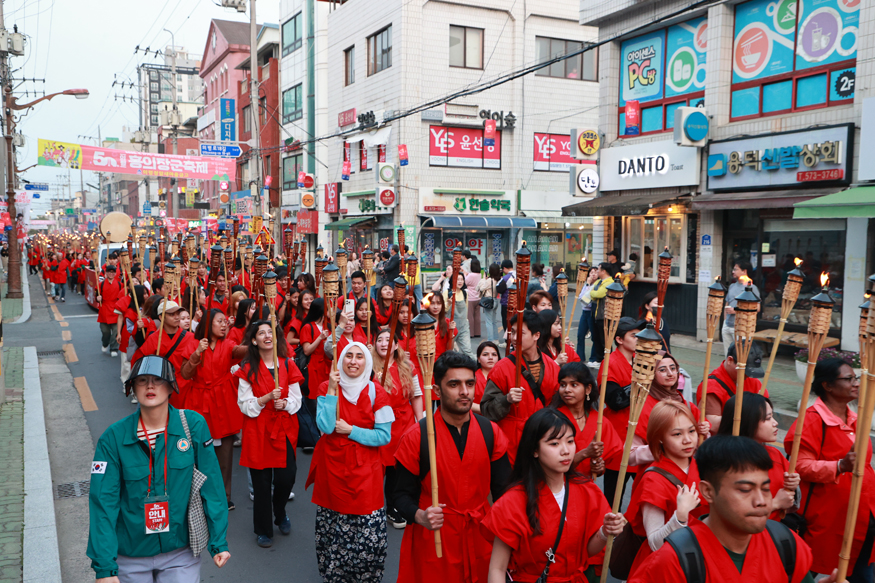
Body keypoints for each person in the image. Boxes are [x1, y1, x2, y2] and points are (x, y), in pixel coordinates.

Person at [87, 356, 231, 581]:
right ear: (132, 388)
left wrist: (218, 542)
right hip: (130, 557)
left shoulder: (193, 426)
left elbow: (211, 486)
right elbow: (103, 504)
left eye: (158, 379)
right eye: (142, 380)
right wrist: (105, 568)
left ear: (171, 386)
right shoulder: (112, 438)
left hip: (180, 554)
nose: (150, 386)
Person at [628, 435, 828, 583]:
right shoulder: (675, 560)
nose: (761, 501)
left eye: (766, 489)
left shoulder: (785, 544)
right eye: (744, 490)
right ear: (708, 492)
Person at [393, 351, 511, 582]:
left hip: (480, 535)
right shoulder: (416, 437)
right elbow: (399, 495)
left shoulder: (491, 432)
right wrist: (419, 516)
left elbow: (505, 492)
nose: (464, 392)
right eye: (454, 384)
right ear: (437, 390)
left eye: (469, 383)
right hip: (433, 537)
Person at [482, 408, 625, 583]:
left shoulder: (588, 490)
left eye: (570, 441)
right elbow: (497, 568)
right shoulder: (513, 501)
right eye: (554, 444)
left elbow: (586, 551)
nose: (566, 450)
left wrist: (605, 531)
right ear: (534, 449)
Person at [306, 343, 395, 583]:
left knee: (368, 535)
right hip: (332, 469)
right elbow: (324, 427)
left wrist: (351, 430)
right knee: (332, 531)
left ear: (367, 362)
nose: (353, 361)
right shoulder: (326, 387)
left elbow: (384, 436)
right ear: (340, 361)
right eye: (348, 356)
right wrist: (333, 389)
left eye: (359, 357)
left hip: (366, 471)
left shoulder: (377, 392)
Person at [784, 359, 875, 581]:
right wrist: (839, 466)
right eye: (848, 379)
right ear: (827, 385)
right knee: (829, 573)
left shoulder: (855, 418)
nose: (855, 384)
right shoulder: (812, 420)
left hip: (863, 518)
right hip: (828, 521)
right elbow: (799, 465)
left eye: (855, 378)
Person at [233, 320, 304, 548]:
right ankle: (263, 530)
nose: (266, 336)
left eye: (270, 332)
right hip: (258, 430)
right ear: (253, 340)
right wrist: (264, 399)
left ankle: (280, 511)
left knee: (287, 477)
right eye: (261, 333)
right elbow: (244, 404)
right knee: (261, 483)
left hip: (283, 427)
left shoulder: (288, 364)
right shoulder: (246, 369)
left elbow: (297, 398)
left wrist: (286, 403)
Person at [624, 401, 709, 577]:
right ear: (660, 437)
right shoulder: (653, 479)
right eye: (677, 434)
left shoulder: (704, 465)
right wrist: (681, 515)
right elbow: (655, 542)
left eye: (691, 431)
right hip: (666, 566)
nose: (687, 440)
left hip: (702, 558)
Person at [180, 308, 246, 511]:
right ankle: (199, 494)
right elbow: (185, 373)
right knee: (200, 451)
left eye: (225, 321)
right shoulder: (193, 343)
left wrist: (256, 342)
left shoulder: (228, 344)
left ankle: (225, 496)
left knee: (225, 453)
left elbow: (239, 351)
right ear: (209, 324)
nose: (225, 324)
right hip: (200, 400)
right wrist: (197, 352)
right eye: (220, 321)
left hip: (224, 400)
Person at [480, 309, 559, 464]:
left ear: (536, 335)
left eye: (520, 333)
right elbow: (487, 410)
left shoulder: (553, 367)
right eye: (512, 332)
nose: (515, 338)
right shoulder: (501, 368)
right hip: (510, 443)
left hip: (542, 439)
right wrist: (506, 400)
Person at [717, 393, 800, 521]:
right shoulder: (724, 461)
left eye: (772, 416)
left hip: (772, 532)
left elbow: (790, 500)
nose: (775, 423)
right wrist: (775, 503)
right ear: (747, 421)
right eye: (768, 418)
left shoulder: (775, 454)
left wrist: (793, 485)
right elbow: (728, 512)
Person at [371, 328, 424, 530]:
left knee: (399, 467)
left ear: (395, 345)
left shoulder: (408, 367)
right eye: (380, 340)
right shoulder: (369, 367)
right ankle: (374, 506)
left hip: (404, 421)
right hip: (379, 422)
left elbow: (416, 395)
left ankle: (393, 507)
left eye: (388, 340)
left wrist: (420, 421)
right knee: (378, 467)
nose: (384, 343)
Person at [628, 354, 708, 473]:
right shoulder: (642, 406)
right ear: (651, 374)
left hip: (687, 473)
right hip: (657, 475)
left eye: (673, 368)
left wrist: (704, 433)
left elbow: (702, 443)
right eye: (662, 370)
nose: (670, 374)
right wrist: (665, 448)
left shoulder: (686, 405)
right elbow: (631, 455)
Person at [599, 316, 645, 507]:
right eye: (634, 335)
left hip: (640, 434)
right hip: (618, 437)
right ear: (619, 339)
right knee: (613, 496)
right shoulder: (610, 362)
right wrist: (640, 382)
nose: (638, 340)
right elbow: (614, 401)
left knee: (643, 495)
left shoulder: (638, 360)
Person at [551, 361, 622, 477]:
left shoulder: (600, 422)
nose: (567, 390)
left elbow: (600, 468)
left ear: (588, 389)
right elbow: (550, 466)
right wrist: (584, 454)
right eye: (563, 385)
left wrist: (599, 467)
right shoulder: (552, 419)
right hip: (557, 487)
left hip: (586, 487)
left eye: (574, 385)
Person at [696, 341, 766, 434]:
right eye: (745, 370)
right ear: (730, 360)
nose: (747, 375)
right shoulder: (711, 386)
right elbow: (712, 424)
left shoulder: (754, 381)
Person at [722, 260, 759, 358]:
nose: (733, 271)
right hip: (728, 325)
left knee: (740, 357)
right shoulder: (732, 286)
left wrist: (736, 310)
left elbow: (757, 308)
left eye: (735, 269)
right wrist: (725, 321)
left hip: (742, 327)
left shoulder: (752, 288)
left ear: (744, 271)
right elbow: (727, 303)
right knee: (728, 356)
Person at [588, 263, 616, 364]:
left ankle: (607, 361)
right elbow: (592, 291)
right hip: (596, 315)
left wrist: (592, 293)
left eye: (598, 270)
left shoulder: (609, 282)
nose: (597, 272)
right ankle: (599, 359)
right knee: (596, 338)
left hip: (604, 315)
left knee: (604, 340)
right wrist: (593, 292)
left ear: (604, 271)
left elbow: (598, 294)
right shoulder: (600, 281)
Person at [98, 264, 125, 357]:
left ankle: (114, 348)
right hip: (104, 309)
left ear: (115, 273)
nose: (111, 274)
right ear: (106, 273)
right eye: (109, 272)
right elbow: (96, 294)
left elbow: (122, 296)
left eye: (113, 272)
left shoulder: (119, 284)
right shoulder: (100, 285)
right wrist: (98, 297)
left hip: (115, 309)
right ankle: (105, 343)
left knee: (115, 331)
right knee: (105, 331)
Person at [575, 266, 598, 362]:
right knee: (580, 335)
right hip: (584, 312)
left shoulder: (597, 285)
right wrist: (587, 284)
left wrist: (588, 286)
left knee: (594, 336)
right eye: (591, 272)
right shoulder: (587, 284)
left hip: (592, 312)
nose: (593, 274)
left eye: (595, 272)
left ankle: (593, 358)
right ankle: (580, 358)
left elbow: (587, 300)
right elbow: (581, 297)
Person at [477, 263, 502, 343]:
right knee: (494, 321)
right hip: (495, 300)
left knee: (489, 322)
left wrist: (483, 279)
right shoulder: (498, 279)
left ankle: (490, 339)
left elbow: (481, 288)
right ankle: (496, 339)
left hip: (488, 301)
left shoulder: (489, 280)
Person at [474, 341, 500, 414]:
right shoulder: (472, 377)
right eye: (485, 355)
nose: (490, 358)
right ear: (478, 359)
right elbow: (466, 402)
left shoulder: (504, 375)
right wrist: (488, 411)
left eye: (494, 354)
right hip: (478, 418)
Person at [496, 259, 515, 333]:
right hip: (518, 303)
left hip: (506, 303)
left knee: (506, 321)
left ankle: (507, 339)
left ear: (504, 268)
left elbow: (499, 288)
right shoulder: (518, 275)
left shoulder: (506, 278)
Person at [466, 257, 482, 338]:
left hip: (470, 298)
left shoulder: (471, 275)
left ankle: (471, 333)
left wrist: (466, 274)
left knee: (470, 316)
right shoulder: (479, 274)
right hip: (478, 297)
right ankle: (477, 332)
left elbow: (465, 282)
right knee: (477, 316)